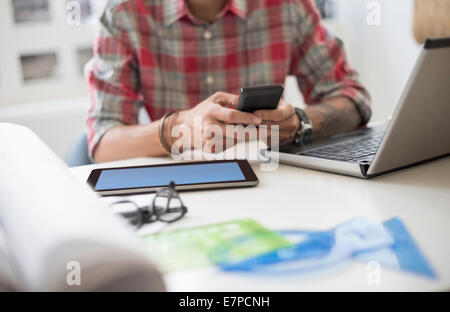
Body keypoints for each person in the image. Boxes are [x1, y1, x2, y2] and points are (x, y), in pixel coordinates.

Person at [87, 0, 371, 162]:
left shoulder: (289, 5)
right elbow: (103, 142)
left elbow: (354, 100)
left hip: (271, 186)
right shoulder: (123, 14)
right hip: (175, 193)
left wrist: (299, 122)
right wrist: (178, 128)